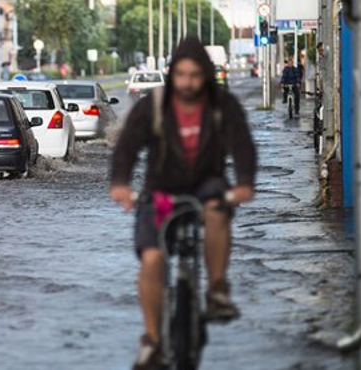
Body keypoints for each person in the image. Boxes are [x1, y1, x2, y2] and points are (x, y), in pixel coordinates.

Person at [109, 36, 257, 370]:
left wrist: (245, 182)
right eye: (181, 75)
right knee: (152, 259)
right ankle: (153, 342)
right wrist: (119, 184)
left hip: (207, 183)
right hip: (161, 190)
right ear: (172, 74)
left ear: (204, 75)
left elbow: (243, 144)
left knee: (218, 209)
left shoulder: (222, 104)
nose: (187, 83)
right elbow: (127, 147)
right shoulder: (154, 105)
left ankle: (217, 290)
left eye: (194, 75)